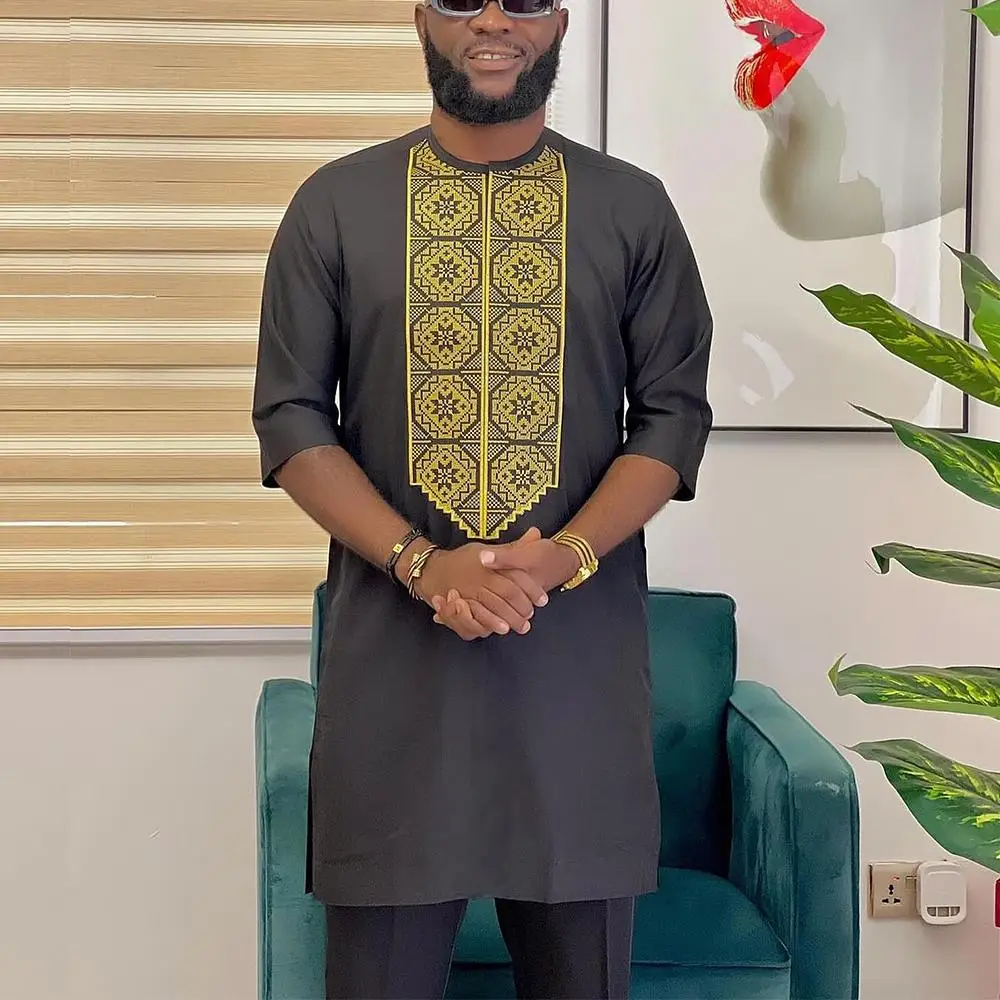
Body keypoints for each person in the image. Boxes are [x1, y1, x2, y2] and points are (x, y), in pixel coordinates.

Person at [251, 1, 713, 997]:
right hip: (396, 680)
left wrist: (562, 557)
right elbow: (290, 419)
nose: (495, 20)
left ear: (560, 22)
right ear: (423, 19)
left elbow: (671, 419)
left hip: (575, 679)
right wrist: (424, 565)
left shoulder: (632, 209)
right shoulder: (335, 204)